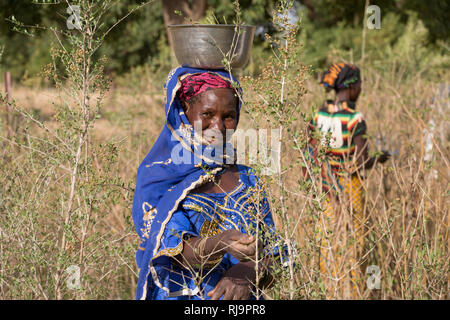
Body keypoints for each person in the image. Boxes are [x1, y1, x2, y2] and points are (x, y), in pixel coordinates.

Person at [132, 67, 287, 300]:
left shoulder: (249, 178)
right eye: (207, 114)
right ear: (184, 112)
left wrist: (249, 271)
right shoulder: (161, 176)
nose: (219, 127)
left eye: (228, 116)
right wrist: (221, 242)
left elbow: (272, 250)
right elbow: (176, 251)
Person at [307, 63, 390, 298]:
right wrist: (380, 158)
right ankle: (352, 293)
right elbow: (360, 162)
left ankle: (329, 291)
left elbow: (310, 151)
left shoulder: (319, 114)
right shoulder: (354, 118)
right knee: (353, 245)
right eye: (360, 84)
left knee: (327, 243)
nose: (362, 88)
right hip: (349, 187)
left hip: (324, 187)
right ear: (352, 87)